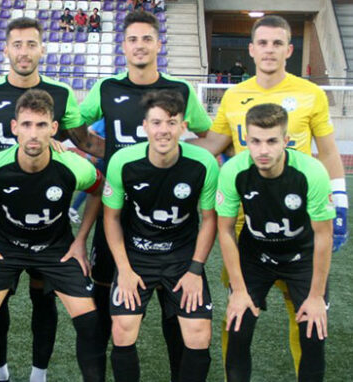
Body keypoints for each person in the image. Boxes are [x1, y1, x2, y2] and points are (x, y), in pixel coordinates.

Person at [191, 16, 348, 378]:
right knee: (239, 311)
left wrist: (340, 203)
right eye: (262, 43)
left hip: (300, 216)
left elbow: (326, 151)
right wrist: (169, 144)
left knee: (306, 317)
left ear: (289, 50)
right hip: (248, 221)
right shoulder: (233, 95)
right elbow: (215, 144)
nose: (269, 50)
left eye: (278, 43)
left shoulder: (310, 93)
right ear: (251, 49)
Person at [0, 16, 104, 382]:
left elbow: (84, 144)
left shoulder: (61, 94)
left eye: (31, 44)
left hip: (49, 215)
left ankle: (39, 373)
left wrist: (137, 154)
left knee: (43, 297)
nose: (23, 52)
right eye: (17, 44)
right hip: (1, 216)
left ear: (41, 49)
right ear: (6, 49)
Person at [79, 11, 212, 380]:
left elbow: (209, 135)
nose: (140, 46)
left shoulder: (181, 91)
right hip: (119, 214)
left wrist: (196, 163)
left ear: (158, 44)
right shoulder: (106, 88)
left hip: (170, 216)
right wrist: (104, 152)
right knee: (109, 308)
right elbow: (75, 124)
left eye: (147, 39)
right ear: (123, 46)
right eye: (133, 39)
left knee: (178, 315)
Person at [104, 90, 217, 382]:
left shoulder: (203, 163)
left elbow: (209, 220)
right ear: (145, 126)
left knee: (198, 334)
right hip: (138, 256)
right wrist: (124, 269)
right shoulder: (123, 161)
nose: (163, 130)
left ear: (183, 126)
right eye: (156, 123)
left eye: (171, 122)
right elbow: (111, 217)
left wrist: (195, 269)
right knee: (122, 327)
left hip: (182, 259)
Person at [216, 103, 334, 382]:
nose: (263, 150)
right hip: (255, 257)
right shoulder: (234, 171)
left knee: (313, 333)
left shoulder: (311, 173)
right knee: (238, 326)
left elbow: (323, 235)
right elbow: (225, 230)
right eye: (255, 141)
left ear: (286, 140)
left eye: (271, 141)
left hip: (301, 258)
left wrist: (316, 296)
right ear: (246, 140)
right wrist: (239, 290)